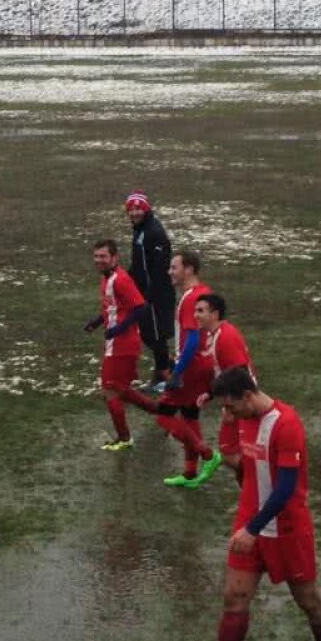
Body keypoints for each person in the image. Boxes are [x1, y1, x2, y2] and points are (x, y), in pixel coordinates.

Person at [175, 367, 321, 641]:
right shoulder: (241, 417)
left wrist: (252, 528)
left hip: (286, 529)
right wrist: (225, 422)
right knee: (234, 596)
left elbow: (285, 488)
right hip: (250, 523)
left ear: (248, 396)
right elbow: (235, 459)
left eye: (232, 407)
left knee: (308, 600)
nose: (230, 413)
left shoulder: (287, 424)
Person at [109, 251, 223, 487]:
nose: (169, 272)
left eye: (174, 267)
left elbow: (192, 339)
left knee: (164, 416)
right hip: (200, 363)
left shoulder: (192, 298)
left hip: (192, 367)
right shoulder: (201, 292)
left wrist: (178, 371)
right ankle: (190, 474)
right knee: (190, 417)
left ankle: (208, 455)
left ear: (189, 269)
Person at [85, 238, 146, 451]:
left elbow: (140, 307)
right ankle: (160, 409)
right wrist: (97, 322)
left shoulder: (121, 279)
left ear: (114, 258)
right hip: (115, 342)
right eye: (96, 256)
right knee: (120, 389)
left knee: (109, 390)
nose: (98, 260)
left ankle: (124, 438)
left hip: (123, 343)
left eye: (103, 256)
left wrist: (119, 329)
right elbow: (112, 309)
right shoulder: (106, 279)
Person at [126, 192, 175, 385]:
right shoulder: (140, 230)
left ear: (146, 209)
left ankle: (164, 376)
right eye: (131, 209)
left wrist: (150, 295)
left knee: (155, 334)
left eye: (138, 209)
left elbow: (159, 268)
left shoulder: (153, 232)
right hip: (144, 292)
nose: (135, 213)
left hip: (156, 293)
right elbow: (139, 263)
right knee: (148, 333)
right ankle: (166, 365)